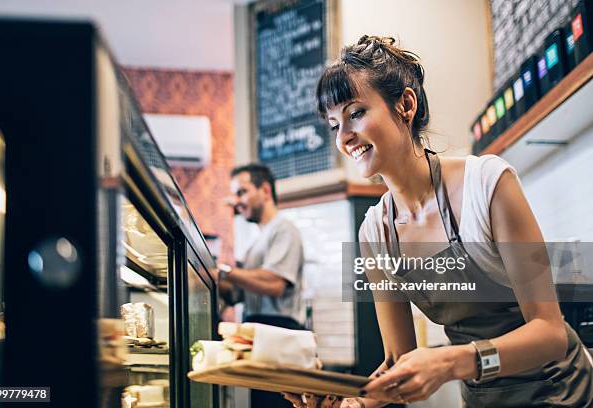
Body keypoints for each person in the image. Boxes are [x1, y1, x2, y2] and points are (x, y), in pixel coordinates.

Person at [284, 35, 593, 408]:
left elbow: (551, 334)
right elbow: (398, 361)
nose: (344, 138)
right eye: (334, 125)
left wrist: (452, 361)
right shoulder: (376, 231)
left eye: (356, 113)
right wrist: (352, 401)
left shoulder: (488, 184)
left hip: (561, 391)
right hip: (484, 398)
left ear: (406, 105)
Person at [214, 163, 305, 407]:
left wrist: (226, 272)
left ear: (265, 190)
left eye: (241, 192)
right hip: (260, 335)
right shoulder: (257, 241)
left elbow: (275, 283)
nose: (236, 201)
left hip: (279, 335)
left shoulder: (284, 229)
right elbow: (235, 294)